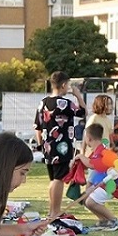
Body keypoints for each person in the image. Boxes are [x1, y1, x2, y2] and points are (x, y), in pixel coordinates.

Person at [36, 72, 83, 219]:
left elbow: (37, 126)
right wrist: (78, 95)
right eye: (68, 85)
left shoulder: (43, 103)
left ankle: (52, 210)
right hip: (62, 148)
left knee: (53, 179)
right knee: (59, 179)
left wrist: (41, 145)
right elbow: (83, 112)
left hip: (47, 147)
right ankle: (55, 211)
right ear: (63, 85)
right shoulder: (66, 104)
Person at [71, 122, 118, 230]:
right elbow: (90, 167)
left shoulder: (101, 151)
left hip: (111, 185)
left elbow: (92, 164)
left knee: (91, 202)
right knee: (86, 199)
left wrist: (80, 156)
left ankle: (114, 220)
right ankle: (103, 220)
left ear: (89, 138)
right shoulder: (96, 151)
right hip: (103, 184)